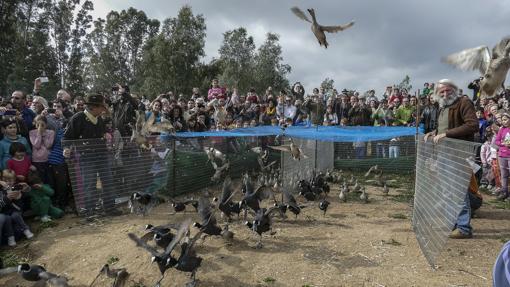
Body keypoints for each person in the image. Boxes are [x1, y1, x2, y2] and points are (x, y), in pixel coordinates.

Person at [424, 79, 481, 239]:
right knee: (447, 191)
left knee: (456, 190)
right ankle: (453, 223)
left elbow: (472, 125)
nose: (444, 93)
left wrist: (446, 134)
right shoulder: (443, 107)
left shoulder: (463, 102)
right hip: (444, 153)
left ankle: (463, 228)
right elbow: (446, 128)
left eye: (447, 90)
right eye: (441, 92)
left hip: (458, 154)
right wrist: (435, 132)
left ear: (454, 90)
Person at [63, 94, 121, 216]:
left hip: (102, 155)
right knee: (89, 183)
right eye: (101, 107)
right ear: (94, 107)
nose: (103, 110)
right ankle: (89, 211)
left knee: (108, 181)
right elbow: (67, 137)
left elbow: (102, 132)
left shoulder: (99, 119)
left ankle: (110, 208)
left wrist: (105, 135)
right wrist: (66, 148)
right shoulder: (78, 118)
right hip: (86, 157)